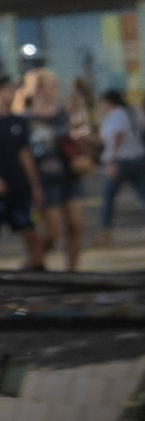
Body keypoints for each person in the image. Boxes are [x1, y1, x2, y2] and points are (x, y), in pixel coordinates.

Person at [16, 68, 87, 271]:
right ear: (37, 90)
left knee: (75, 225)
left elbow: (71, 137)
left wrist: (78, 139)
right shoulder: (25, 120)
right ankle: (35, 259)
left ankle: (72, 271)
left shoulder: (62, 114)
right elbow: (23, 151)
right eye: (50, 86)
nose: (55, 90)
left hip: (69, 173)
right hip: (45, 177)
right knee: (54, 232)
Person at [97, 89, 145, 248]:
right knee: (144, 194)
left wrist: (112, 162)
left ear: (108, 102)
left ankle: (105, 232)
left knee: (108, 197)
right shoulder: (134, 113)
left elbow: (117, 137)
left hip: (121, 160)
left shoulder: (116, 115)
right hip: (139, 158)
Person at [0, 74, 46, 270]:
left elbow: (25, 155)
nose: (11, 94)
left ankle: (38, 269)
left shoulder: (18, 122)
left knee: (29, 231)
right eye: (7, 89)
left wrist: (35, 186)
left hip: (18, 186)